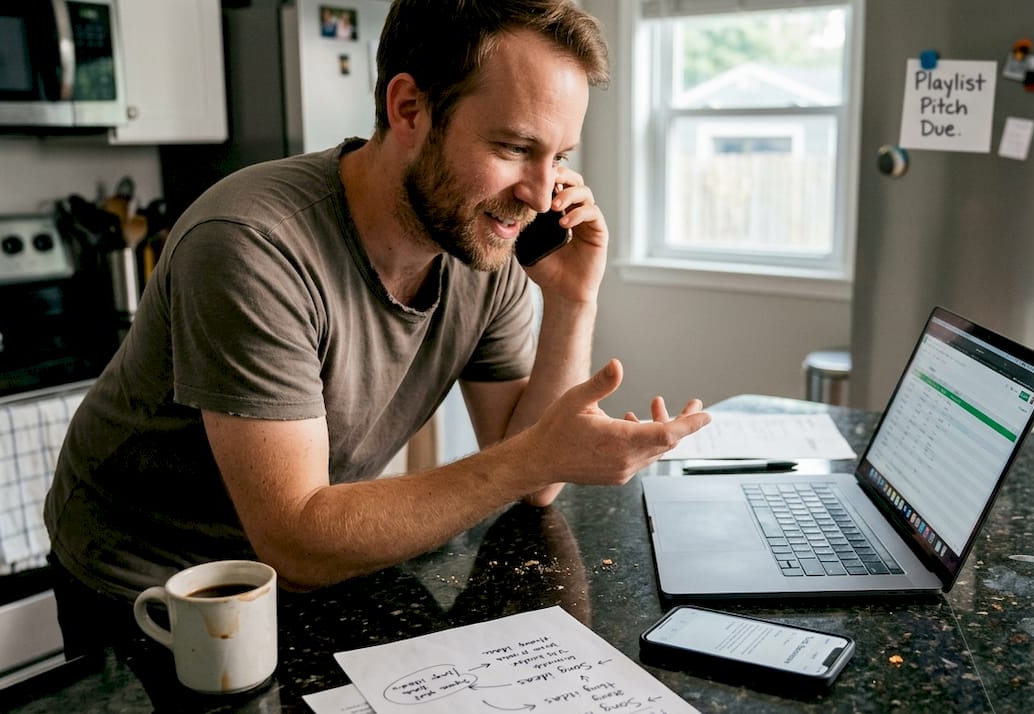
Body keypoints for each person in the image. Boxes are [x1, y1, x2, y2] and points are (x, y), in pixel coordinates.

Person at [43, 0, 710, 659]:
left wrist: (572, 298)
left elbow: (534, 476)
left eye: (558, 156)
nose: (540, 194)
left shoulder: (480, 238)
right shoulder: (252, 244)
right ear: (410, 109)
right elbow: (296, 540)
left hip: (312, 566)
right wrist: (538, 454)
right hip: (157, 586)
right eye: (513, 148)